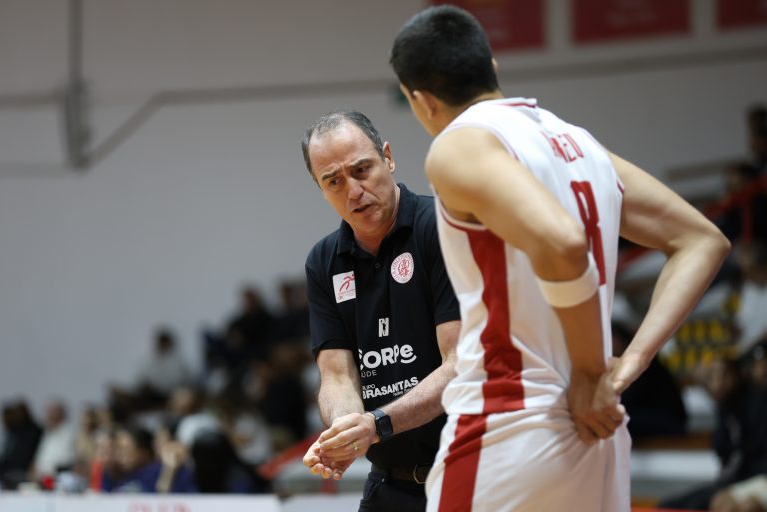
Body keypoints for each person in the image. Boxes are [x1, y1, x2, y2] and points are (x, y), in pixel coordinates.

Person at [389, 6, 731, 511]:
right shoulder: (578, 143)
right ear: (493, 67)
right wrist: (627, 366)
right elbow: (702, 240)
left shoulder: (459, 144)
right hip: (598, 434)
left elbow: (563, 245)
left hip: (510, 425)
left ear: (419, 99)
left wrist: (592, 374)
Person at [300, 110, 461, 512]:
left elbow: (461, 364)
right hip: (390, 483)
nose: (353, 191)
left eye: (361, 170)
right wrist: (346, 431)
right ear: (320, 188)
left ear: (388, 158)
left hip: (468, 476)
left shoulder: (443, 228)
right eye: (333, 181)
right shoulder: (323, 261)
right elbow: (337, 376)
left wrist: (376, 425)